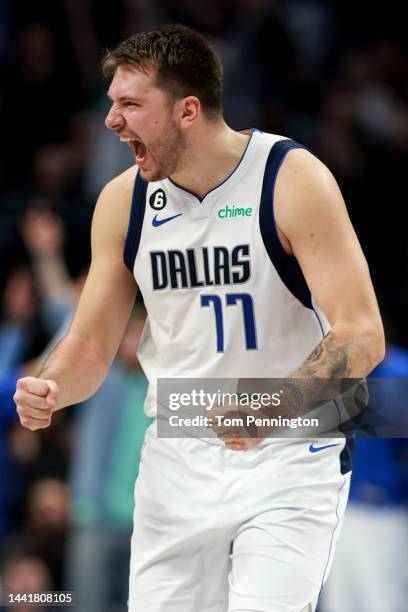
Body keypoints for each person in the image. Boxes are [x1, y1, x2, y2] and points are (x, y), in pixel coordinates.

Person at [13, 24, 385, 612]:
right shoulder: (123, 201)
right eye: (112, 103)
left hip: (290, 449)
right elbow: (88, 345)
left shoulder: (290, 177)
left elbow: (362, 333)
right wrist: (53, 386)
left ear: (188, 110)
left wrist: (273, 405)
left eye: (131, 105)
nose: (112, 121)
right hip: (176, 457)